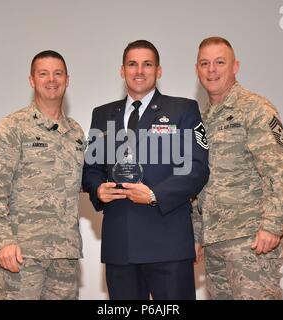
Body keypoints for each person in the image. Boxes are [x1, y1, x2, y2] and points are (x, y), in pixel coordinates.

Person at [82, 40, 209, 300]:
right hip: (121, 245)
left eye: (147, 64)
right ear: (122, 71)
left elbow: (196, 169)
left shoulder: (183, 110)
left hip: (168, 244)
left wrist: (155, 195)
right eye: (132, 64)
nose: (139, 71)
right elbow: (91, 168)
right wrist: (98, 189)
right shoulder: (102, 114)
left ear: (159, 71)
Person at [0, 50, 85, 300]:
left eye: (58, 73)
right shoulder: (13, 127)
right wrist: (2, 241)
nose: (51, 79)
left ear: (67, 79)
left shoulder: (76, 132)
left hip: (64, 258)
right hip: (21, 256)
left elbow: (80, 183)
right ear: (31, 80)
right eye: (43, 73)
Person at [194, 36, 283, 299]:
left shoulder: (255, 109)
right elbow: (198, 184)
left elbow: (281, 174)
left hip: (252, 243)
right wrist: (196, 234)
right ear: (197, 69)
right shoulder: (201, 119)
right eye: (205, 63)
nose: (212, 70)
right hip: (215, 244)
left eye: (220, 62)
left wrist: (272, 226)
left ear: (235, 66)